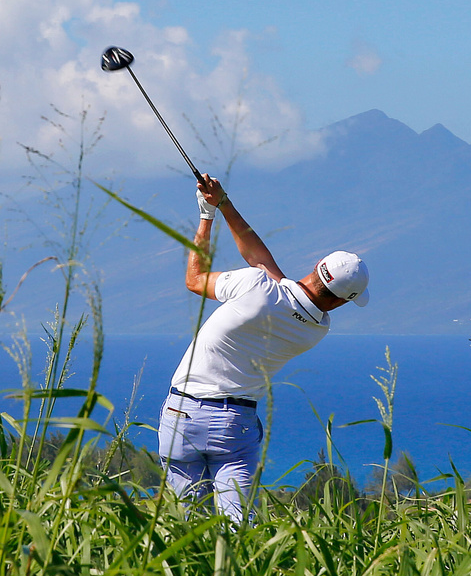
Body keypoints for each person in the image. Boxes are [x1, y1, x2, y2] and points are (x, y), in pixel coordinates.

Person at [157, 173, 369, 521]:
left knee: (185, 522)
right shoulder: (316, 329)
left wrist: (208, 215)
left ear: (316, 266)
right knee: (237, 524)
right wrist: (223, 203)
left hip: (183, 412)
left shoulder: (257, 286)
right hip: (234, 424)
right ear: (341, 302)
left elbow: (196, 280)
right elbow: (264, 265)